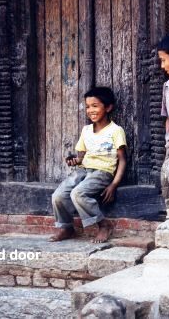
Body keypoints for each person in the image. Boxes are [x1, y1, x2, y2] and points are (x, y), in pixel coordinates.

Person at [50, 87, 127, 243]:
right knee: (58, 196)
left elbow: (123, 160)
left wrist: (114, 184)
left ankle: (103, 225)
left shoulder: (116, 130)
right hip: (83, 171)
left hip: (103, 172)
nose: (90, 110)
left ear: (108, 107)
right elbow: (81, 157)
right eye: (87, 106)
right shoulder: (86, 130)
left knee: (78, 193)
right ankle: (67, 227)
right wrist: (74, 160)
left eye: (95, 106)